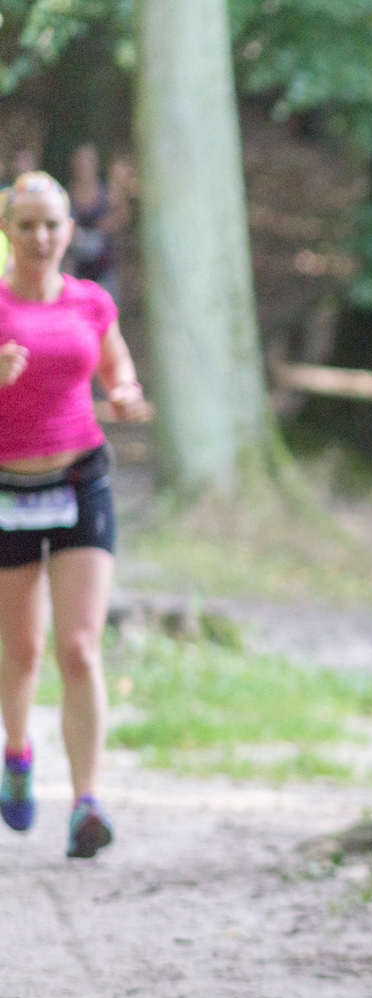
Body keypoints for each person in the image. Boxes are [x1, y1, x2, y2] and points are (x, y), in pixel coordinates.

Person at [0, 171, 150, 858]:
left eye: (52, 223)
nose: (41, 236)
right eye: (27, 224)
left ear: (70, 230)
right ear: (7, 230)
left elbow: (118, 369)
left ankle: (88, 800)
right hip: (7, 488)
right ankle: (18, 752)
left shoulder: (91, 302)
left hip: (80, 480)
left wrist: (122, 392)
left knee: (80, 646)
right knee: (23, 648)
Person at [66, 144, 130, 302]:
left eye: (88, 162)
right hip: (78, 266)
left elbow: (124, 213)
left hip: (104, 267)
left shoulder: (107, 192)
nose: (84, 166)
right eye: (80, 162)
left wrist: (109, 224)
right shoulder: (68, 194)